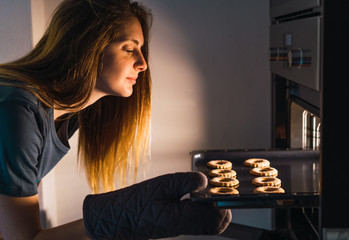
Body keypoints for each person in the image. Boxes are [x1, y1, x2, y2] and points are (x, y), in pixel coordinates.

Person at [0, 0, 231, 239]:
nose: (143, 64)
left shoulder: (66, 115)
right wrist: (119, 219)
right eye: (129, 49)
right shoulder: (19, 112)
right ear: (86, 45)